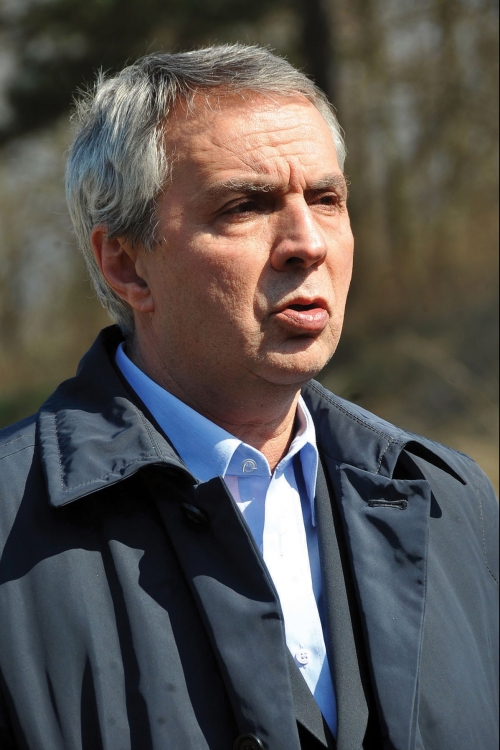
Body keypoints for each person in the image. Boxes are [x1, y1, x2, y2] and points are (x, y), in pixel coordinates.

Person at [0, 44, 497, 750]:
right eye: (245, 205)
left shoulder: (449, 502)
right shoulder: (12, 526)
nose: (307, 243)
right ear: (127, 264)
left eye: (326, 199)